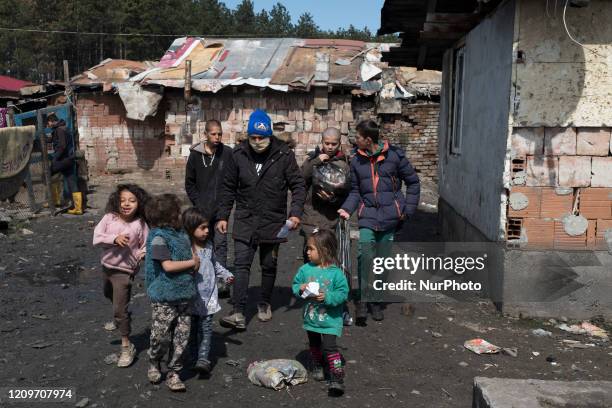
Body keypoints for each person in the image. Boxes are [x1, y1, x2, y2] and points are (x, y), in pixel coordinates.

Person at [216, 109, 306, 329]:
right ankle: (237, 310)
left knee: (268, 265)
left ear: (269, 135)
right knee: (241, 264)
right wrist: (223, 216)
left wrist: (295, 212)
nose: (257, 142)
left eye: (261, 138)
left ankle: (264, 302)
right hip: (245, 218)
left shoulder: (284, 155)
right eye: (253, 137)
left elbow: (298, 185)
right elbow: (228, 188)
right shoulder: (238, 155)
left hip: (273, 220)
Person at [338, 120, 420, 324]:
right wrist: (347, 209)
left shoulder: (394, 156)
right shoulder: (357, 161)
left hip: (390, 216)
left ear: (368, 139)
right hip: (367, 216)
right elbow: (356, 191)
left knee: (382, 262)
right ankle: (364, 301)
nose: (354, 140)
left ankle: (376, 299)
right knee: (364, 256)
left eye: (357, 137)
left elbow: (413, 182)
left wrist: (407, 210)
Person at [144, 194, 199, 392]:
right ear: (168, 217)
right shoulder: (159, 238)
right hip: (165, 296)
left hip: (184, 294)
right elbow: (167, 266)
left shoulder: (181, 234)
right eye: (177, 213)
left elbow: (190, 249)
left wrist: (193, 256)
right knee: (160, 335)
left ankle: (174, 372)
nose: (180, 216)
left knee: (181, 337)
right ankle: (154, 361)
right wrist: (193, 263)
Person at [93, 184, 150, 368]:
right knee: (108, 295)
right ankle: (120, 314)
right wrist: (113, 239)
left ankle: (127, 346)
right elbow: (97, 238)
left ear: (139, 204)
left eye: (132, 201)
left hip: (125, 272)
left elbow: (146, 244)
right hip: (107, 267)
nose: (126, 204)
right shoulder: (109, 218)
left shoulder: (140, 224)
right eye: (123, 200)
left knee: (119, 310)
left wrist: (144, 253)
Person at [292, 229, 349, 395]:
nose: (307, 252)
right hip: (311, 318)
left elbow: (342, 293)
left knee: (331, 348)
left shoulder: (336, 273)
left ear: (324, 250)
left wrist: (328, 297)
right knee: (314, 344)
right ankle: (317, 364)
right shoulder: (305, 269)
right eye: (307, 249)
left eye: (311, 249)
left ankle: (337, 375)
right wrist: (300, 288)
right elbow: (296, 285)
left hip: (330, 320)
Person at [182, 207, 234, 375]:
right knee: (192, 329)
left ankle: (203, 359)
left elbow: (214, 264)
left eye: (207, 227)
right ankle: (192, 357)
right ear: (190, 228)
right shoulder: (185, 249)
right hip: (191, 297)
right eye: (202, 228)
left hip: (209, 296)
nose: (206, 231)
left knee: (206, 328)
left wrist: (226, 275)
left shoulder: (209, 246)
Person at [184, 119, 233, 269]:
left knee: (220, 244)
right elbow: (190, 184)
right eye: (213, 134)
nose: (217, 137)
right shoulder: (195, 155)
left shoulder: (227, 154)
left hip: (221, 210)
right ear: (205, 134)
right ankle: (203, 276)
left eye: (219, 134)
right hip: (201, 210)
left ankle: (221, 281)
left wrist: (224, 213)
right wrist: (199, 205)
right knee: (201, 243)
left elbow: (231, 185)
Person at [300, 127, 350, 260]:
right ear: (322, 142)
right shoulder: (313, 158)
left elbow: (347, 192)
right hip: (311, 214)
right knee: (310, 253)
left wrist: (333, 200)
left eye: (334, 144)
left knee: (327, 255)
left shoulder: (343, 163)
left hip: (331, 218)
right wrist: (316, 161)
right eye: (327, 143)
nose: (330, 147)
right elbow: (301, 177)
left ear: (339, 143)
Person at [47, 113, 81, 214]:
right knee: (72, 182)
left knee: (47, 175)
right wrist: (45, 139)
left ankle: (55, 201)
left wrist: (55, 158)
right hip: (69, 160)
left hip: (62, 160)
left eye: (48, 123)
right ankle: (78, 208)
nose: (48, 126)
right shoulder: (63, 128)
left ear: (52, 121)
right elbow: (55, 140)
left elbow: (62, 146)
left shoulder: (59, 130)